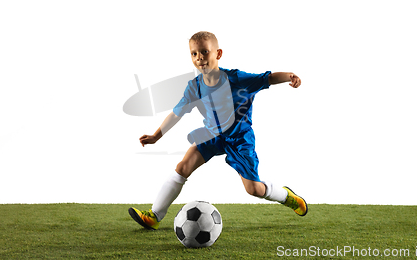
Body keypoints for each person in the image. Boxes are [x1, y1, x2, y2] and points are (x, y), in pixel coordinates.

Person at [129, 31, 307, 230]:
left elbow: (266, 78)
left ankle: (287, 197)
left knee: (254, 189)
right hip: (212, 135)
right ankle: (154, 216)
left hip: (239, 139)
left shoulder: (236, 79)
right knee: (182, 167)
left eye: (204, 51)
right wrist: (156, 136)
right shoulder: (194, 87)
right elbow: (177, 113)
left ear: (218, 53)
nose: (199, 58)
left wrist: (289, 77)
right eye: (194, 54)